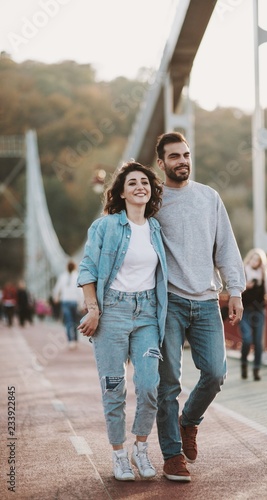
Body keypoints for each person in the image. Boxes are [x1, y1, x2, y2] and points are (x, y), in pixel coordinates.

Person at [154, 132, 245, 482]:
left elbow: (226, 246)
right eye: (174, 156)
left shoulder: (209, 197)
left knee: (216, 373)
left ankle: (188, 422)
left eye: (186, 155)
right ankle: (172, 454)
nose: (183, 161)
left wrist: (235, 291)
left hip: (207, 300)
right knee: (168, 383)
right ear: (161, 163)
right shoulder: (154, 200)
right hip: (170, 302)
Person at [77, 161, 168, 481]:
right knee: (113, 388)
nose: (140, 186)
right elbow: (87, 269)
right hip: (111, 312)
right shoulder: (105, 227)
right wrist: (93, 308)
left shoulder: (157, 228)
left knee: (149, 385)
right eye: (132, 183)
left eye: (145, 181)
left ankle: (140, 449)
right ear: (121, 192)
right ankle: (118, 455)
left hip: (147, 315)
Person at [239, 248, 267, 381]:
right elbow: (234, 288)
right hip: (245, 310)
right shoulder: (243, 271)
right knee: (247, 339)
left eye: (258, 260)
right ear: (249, 259)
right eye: (253, 258)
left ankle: (256, 369)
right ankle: (243, 364)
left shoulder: (263, 274)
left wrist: (265, 272)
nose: (255, 262)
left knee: (258, 342)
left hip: (259, 310)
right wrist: (245, 286)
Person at [53, 261, 84, 349]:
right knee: (75, 322)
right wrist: (81, 304)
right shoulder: (78, 276)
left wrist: (56, 297)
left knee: (68, 322)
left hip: (65, 302)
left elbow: (57, 288)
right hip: (74, 302)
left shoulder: (62, 277)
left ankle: (71, 341)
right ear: (75, 267)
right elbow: (80, 291)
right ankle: (75, 340)